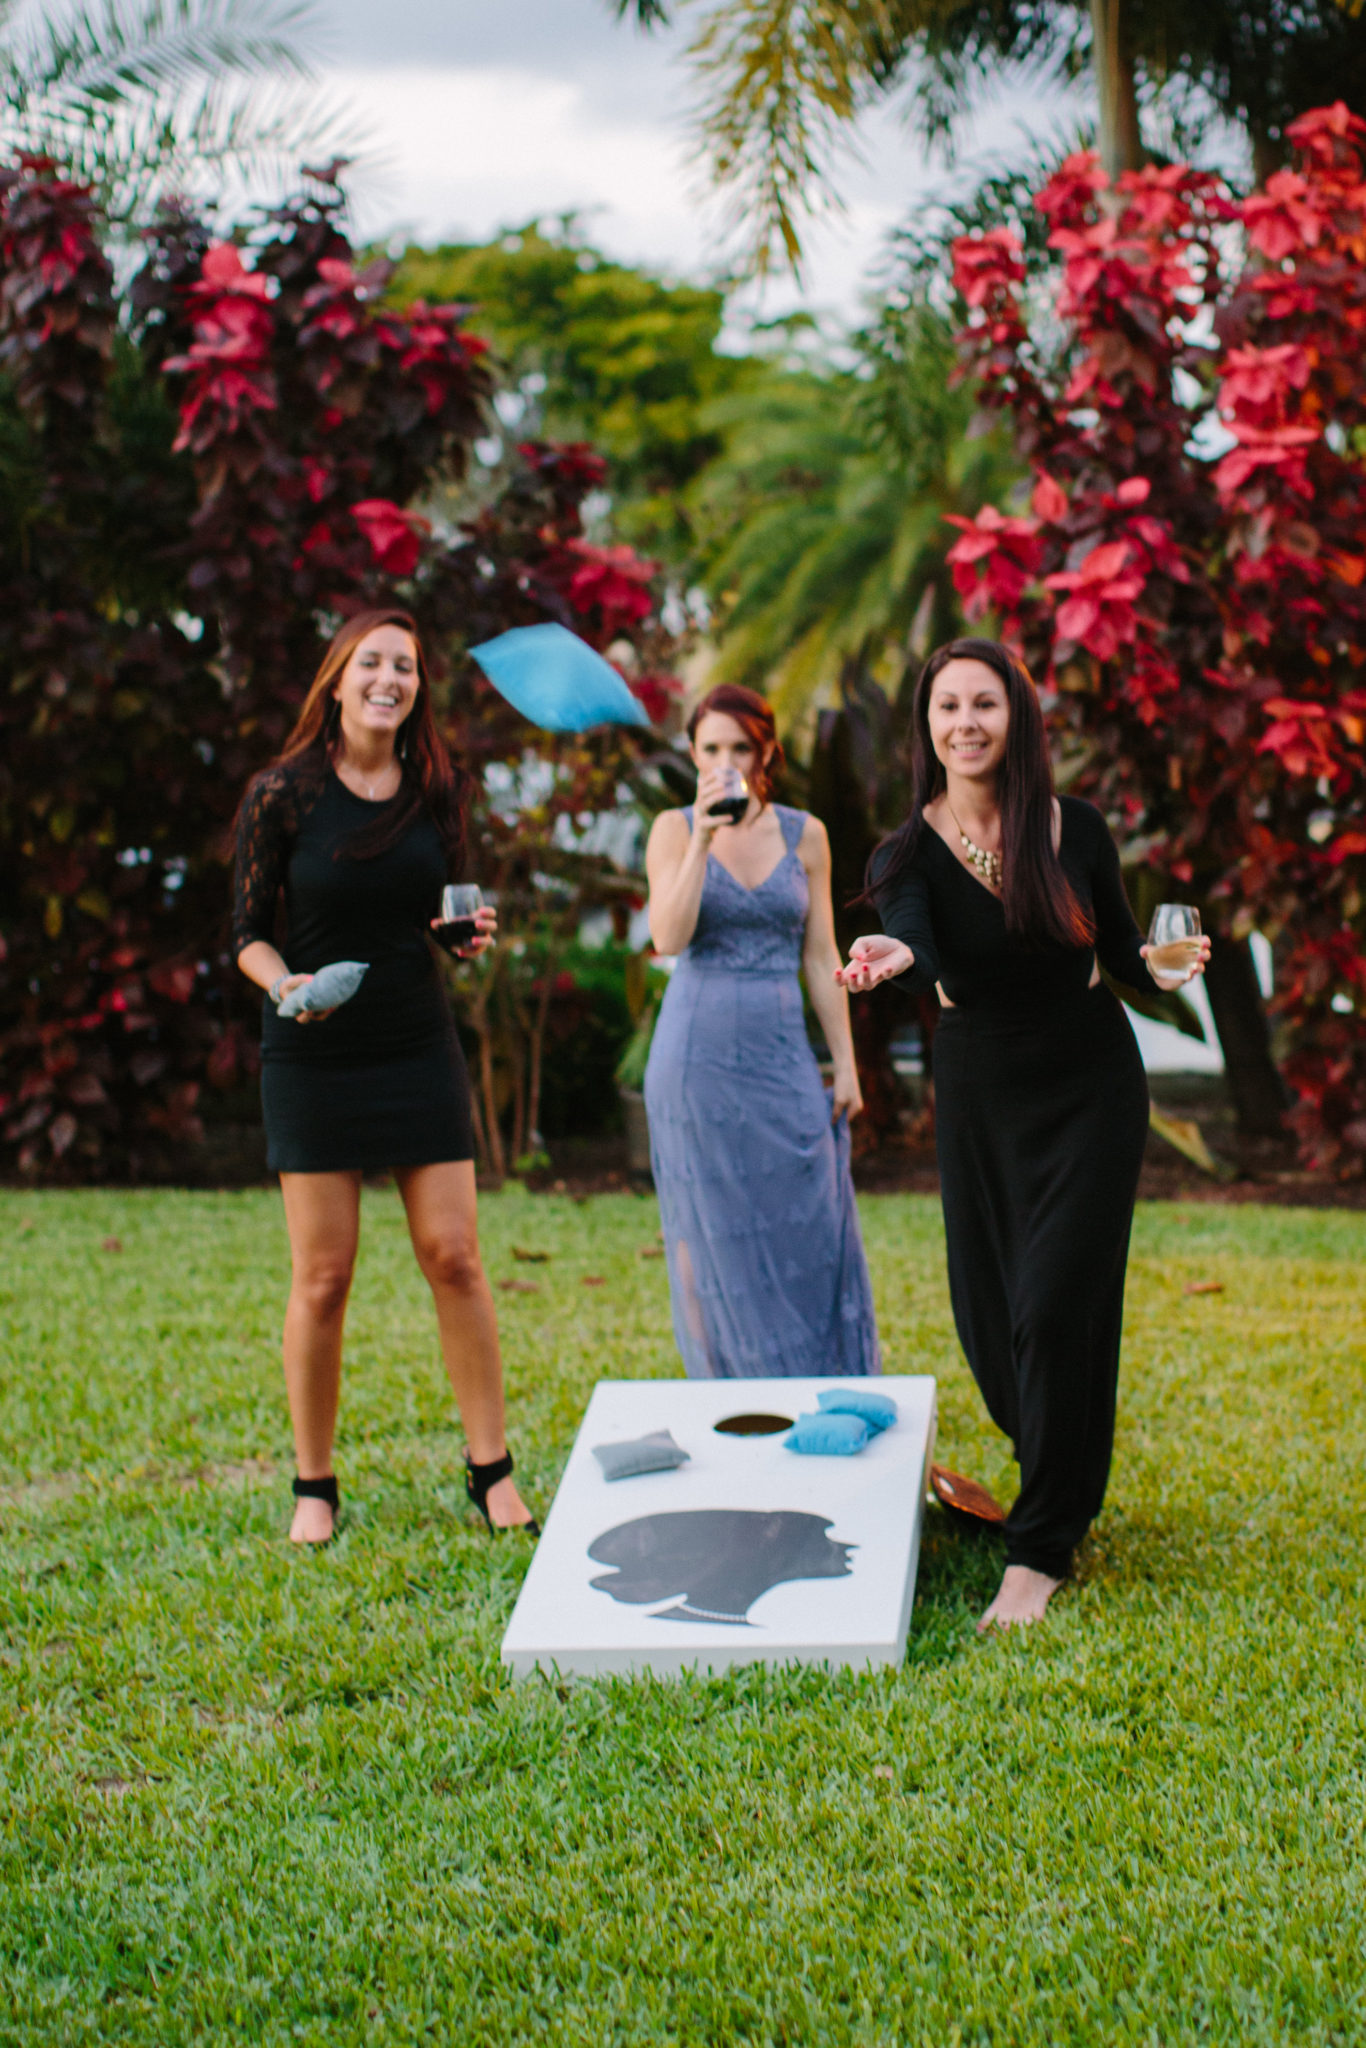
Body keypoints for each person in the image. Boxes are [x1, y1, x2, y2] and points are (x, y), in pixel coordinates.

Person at [836, 638, 1209, 1631]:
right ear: (926, 722)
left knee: (1054, 1303)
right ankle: (1061, 1464)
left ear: (1016, 719)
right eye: (947, 705)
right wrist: (889, 949)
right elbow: (912, 936)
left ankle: (1038, 1548)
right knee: (993, 1314)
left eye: (984, 705)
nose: (964, 722)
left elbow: (1121, 943)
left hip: (1089, 1080)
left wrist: (1159, 966)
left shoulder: (1071, 827)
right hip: (980, 1089)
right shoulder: (901, 853)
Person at [232, 608, 537, 1544]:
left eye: (404, 667)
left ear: (416, 689)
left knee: (455, 1257)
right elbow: (246, 935)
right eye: (372, 662)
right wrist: (286, 986)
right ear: (338, 678)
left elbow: (441, 917)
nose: (389, 680)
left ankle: (491, 1471)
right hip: (313, 1050)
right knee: (323, 1277)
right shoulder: (281, 793)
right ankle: (314, 1487)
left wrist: (464, 937)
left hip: (414, 1041)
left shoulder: (438, 792)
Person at [644, 683, 879, 1379]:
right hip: (695, 1058)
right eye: (711, 748)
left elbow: (820, 954)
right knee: (704, 1234)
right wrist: (703, 839)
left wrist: (847, 1062)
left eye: (739, 747)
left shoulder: (806, 835)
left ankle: (815, 1381)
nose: (726, 760)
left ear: (766, 751)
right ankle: (722, 1394)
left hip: (782, 1054)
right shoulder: (673, 829)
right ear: (693, 753)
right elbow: (669, 935)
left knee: (810, 1214)